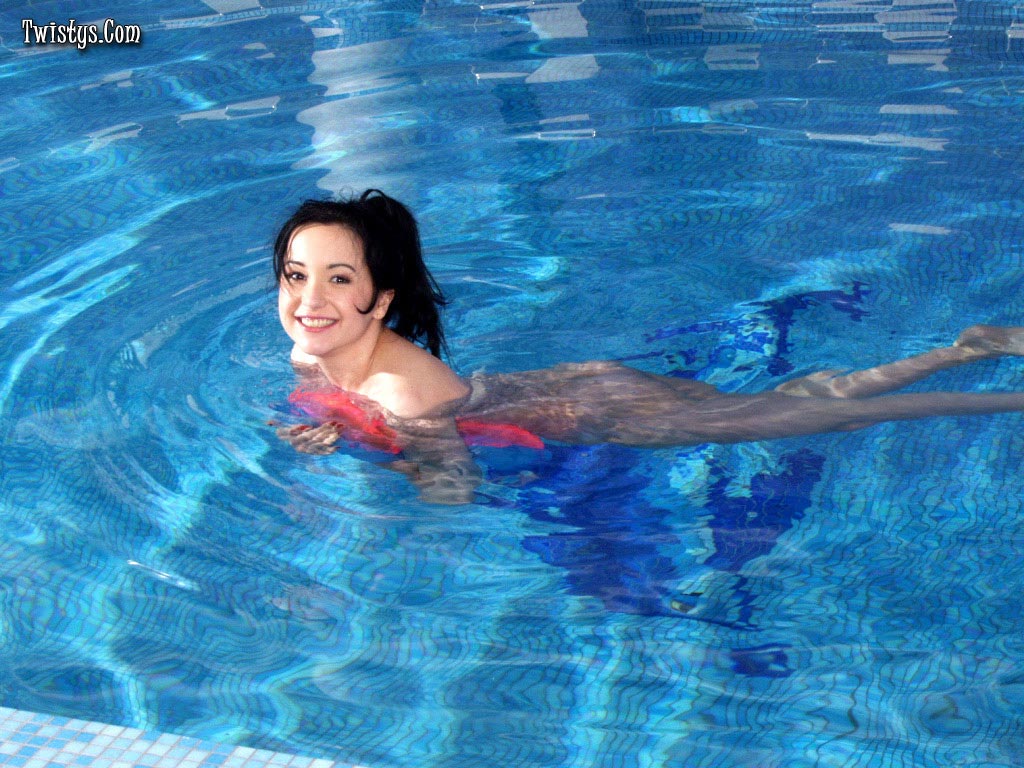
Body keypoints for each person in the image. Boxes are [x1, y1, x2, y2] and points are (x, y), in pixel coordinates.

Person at [275, 190, 1024, 503]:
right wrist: (334, 429)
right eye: (296, 275)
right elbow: (340, 402)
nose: (310, 301)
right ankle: (968, 349)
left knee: (832, 416)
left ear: (381, 300)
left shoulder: (403, 391)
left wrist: (378, 464)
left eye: (339, 280)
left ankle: (1002, 392)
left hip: (610, 410)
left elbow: (454, 491)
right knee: (797, 403)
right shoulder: (314, 350)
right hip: (582, 386)